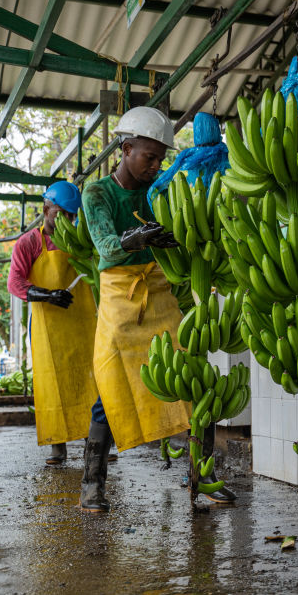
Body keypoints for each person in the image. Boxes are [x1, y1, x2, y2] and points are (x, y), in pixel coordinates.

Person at [79, 107, 235, 512]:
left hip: (160, 292)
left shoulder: (160, 191)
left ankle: (203, 476)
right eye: (149, 156)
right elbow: (107, 246)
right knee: (110, 391)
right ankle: (92, 483)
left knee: (194, 382)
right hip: (119, 300)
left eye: (161, 158)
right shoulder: (98, 193)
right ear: (126, 148)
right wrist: (138, 236)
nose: (156, 165)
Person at [7, 181, 103, 466]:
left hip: (84, 322)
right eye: (62, 213)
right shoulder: (30, 242)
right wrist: (46, 295)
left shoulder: (80, 239)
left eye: (73, 215)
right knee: (52, 383)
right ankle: (57, 444)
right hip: (49, 326)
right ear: (46, 209)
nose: (68, 220)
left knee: (90, 380)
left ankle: (94, 440)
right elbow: (15, 282)